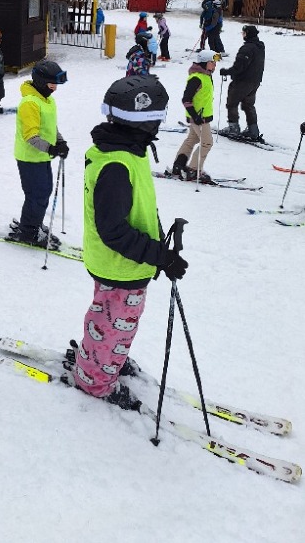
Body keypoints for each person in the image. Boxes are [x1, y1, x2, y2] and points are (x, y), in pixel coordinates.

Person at [67, 75, 187, 410]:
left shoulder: (127, 152)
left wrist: (160, 249)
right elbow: (114, 231)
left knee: (114, 320)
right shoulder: (117, 165)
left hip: (124, 263)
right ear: (145, 123)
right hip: (119, 265)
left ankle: (109, 356)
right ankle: (95, 380)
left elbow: (138, 207)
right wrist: (159, 255)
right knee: (113, 322)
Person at [10, 59, 69, 247]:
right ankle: (29, 231)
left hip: (41, 156)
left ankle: (34, 223)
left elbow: (51, 126)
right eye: (52, 84)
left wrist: (60, 141)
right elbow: (30, 136)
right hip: (29, 157)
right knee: (37, 194)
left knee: (43, 192)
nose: (55, 88)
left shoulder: (46, 100)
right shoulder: (29, 103)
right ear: (42, 82)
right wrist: (51, 148)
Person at [171, 49, 220, 183]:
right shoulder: (196, 78)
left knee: (192, 139)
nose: (214, 65)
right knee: (207, 143)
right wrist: (195, 116)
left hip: (202, 116)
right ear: (204, 62)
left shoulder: (206, 76)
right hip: (199, 118)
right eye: (212, 62)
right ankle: (193, 170)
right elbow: (186, 99)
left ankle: (178, 166)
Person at [219, 24, 265, 141]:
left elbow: (239, 67)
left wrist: (226, 71)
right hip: (255, 81)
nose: (242, 35)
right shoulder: (260, 46)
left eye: (244, 33)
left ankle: (233, 128)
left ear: (248, 34)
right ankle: (253, 130)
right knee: (248, 105)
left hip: (243, 81)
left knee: (232, 103)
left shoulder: (247, 48)